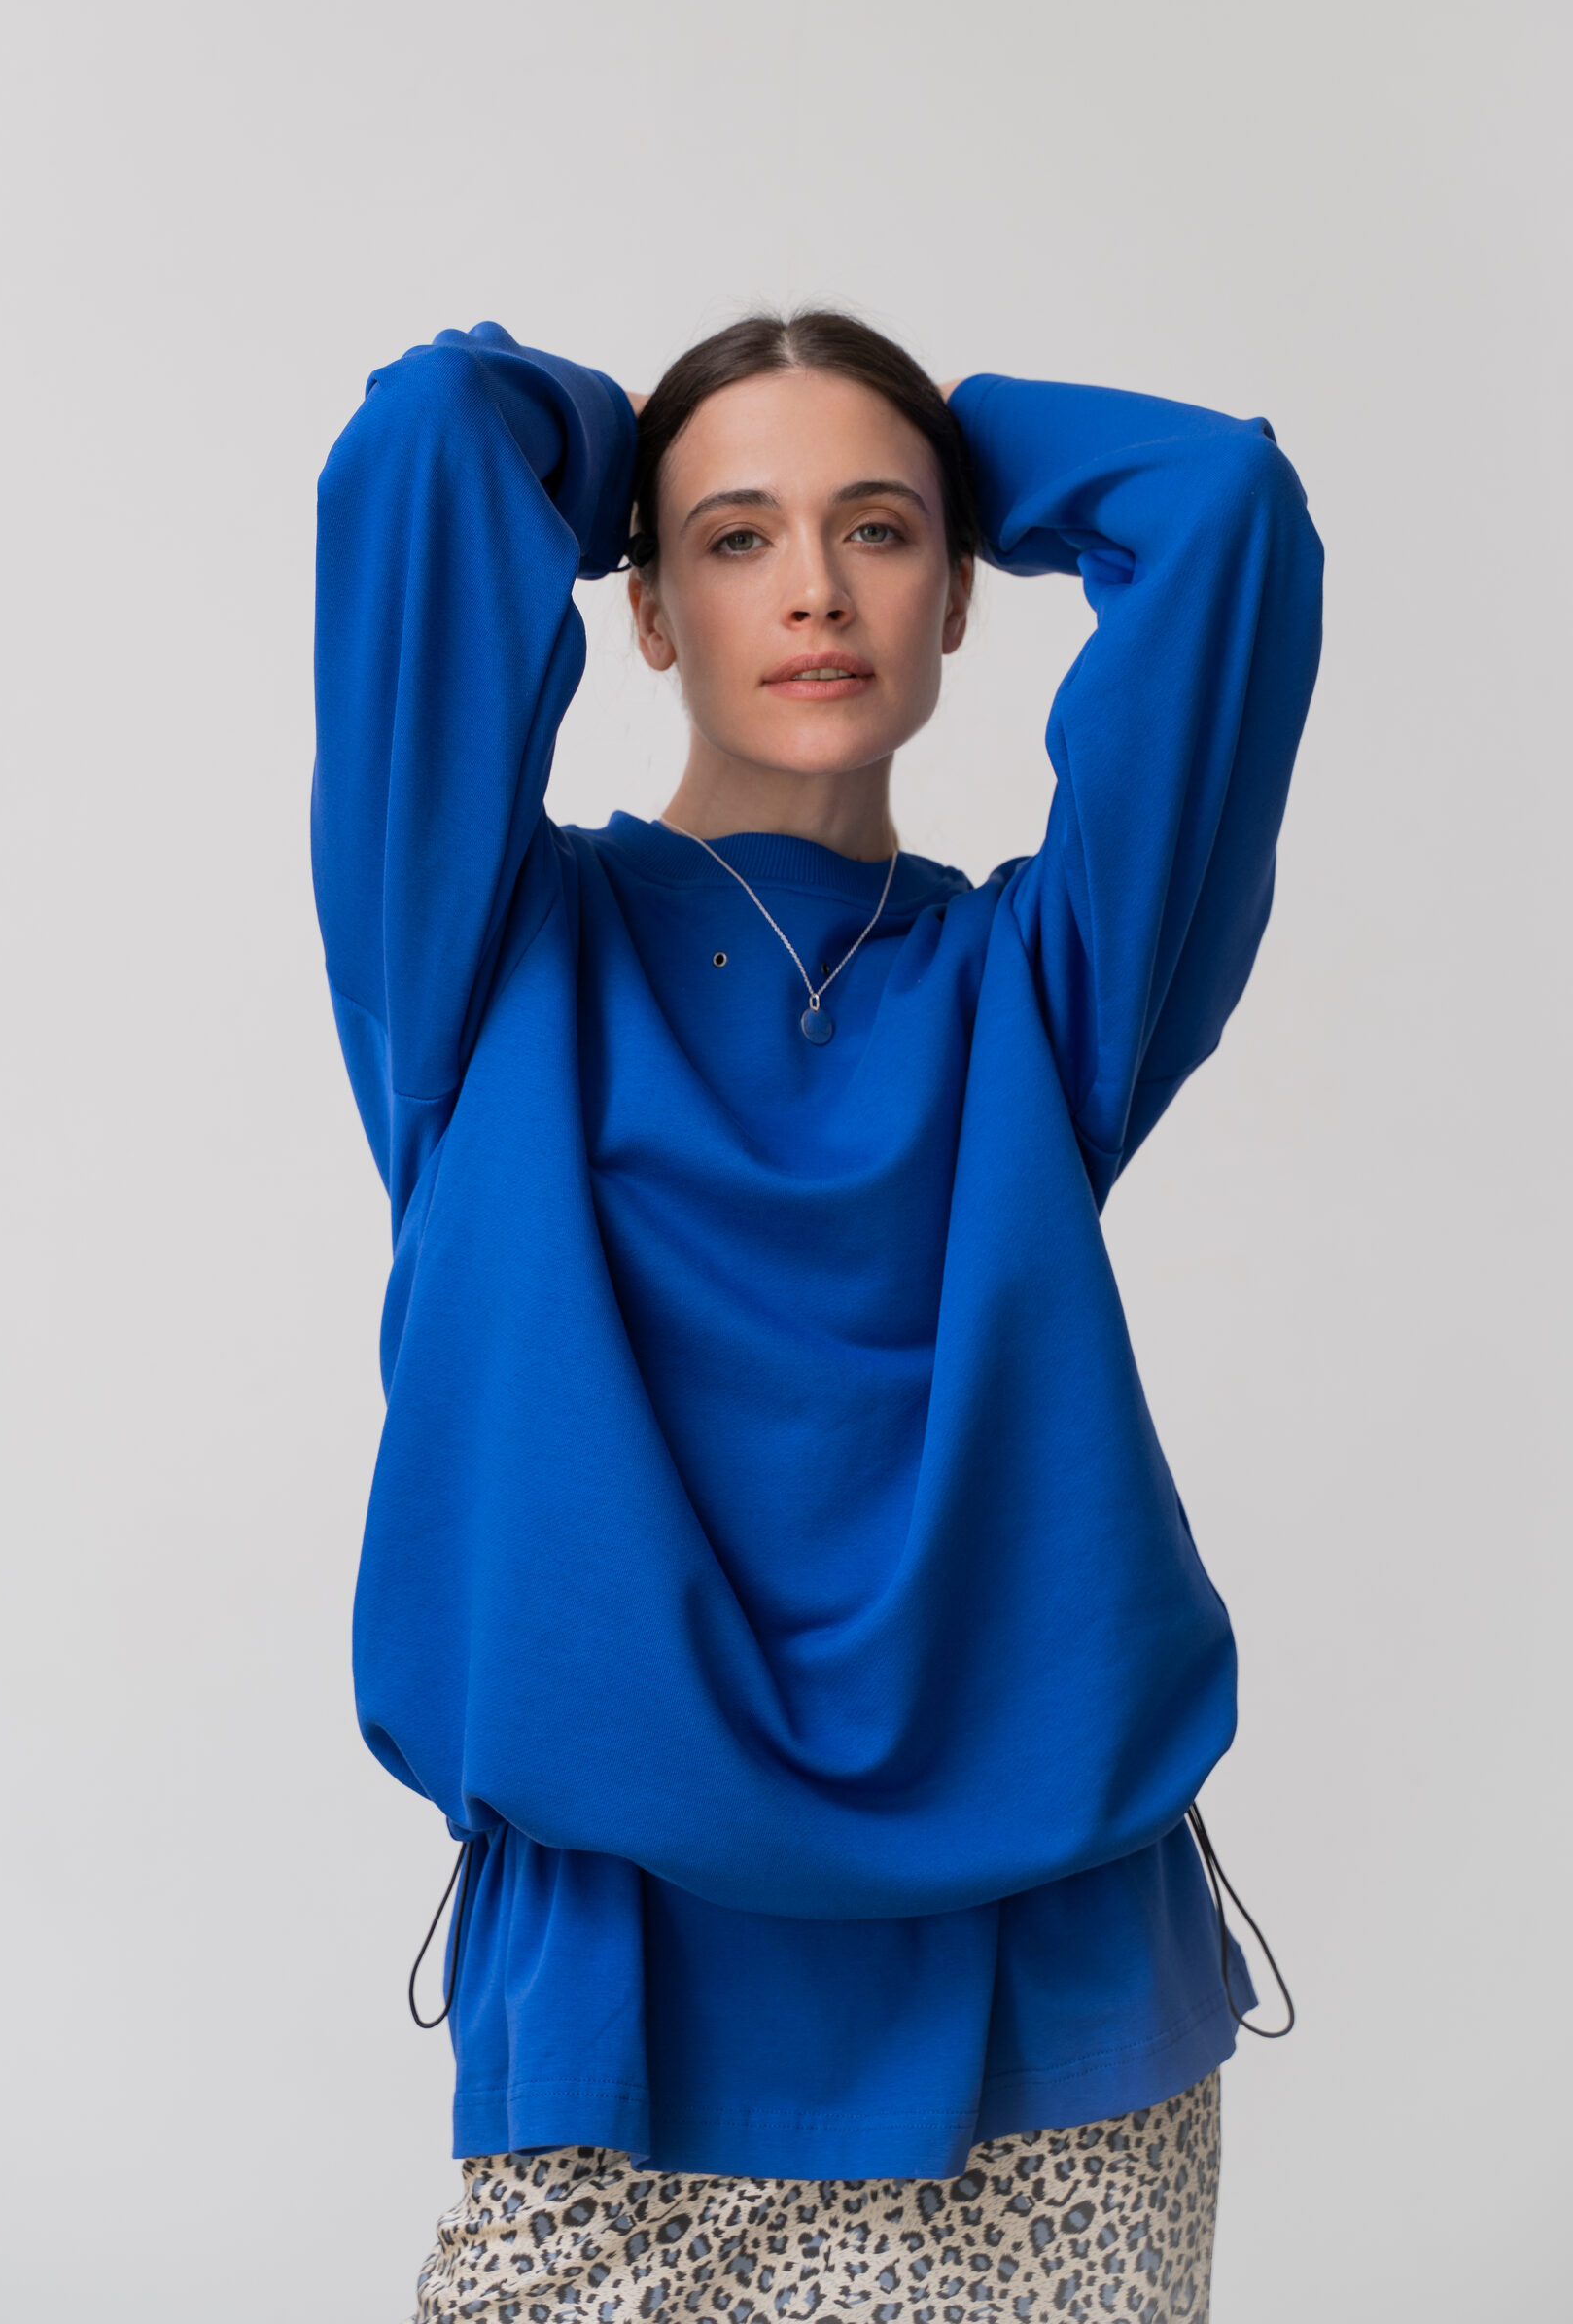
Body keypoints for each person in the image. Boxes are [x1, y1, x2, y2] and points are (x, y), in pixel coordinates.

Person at [311, 307, 1323, 2322]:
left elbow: (1223, 508)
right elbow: (427, 438)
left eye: (877, 532)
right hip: (621, 2009)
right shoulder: (485, 959)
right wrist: (614, 441)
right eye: (734, 539)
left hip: (1050, 2010)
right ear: (644, 605)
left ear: (958, 590)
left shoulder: (1043, 989)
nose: (815, 591)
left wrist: (951, 449)